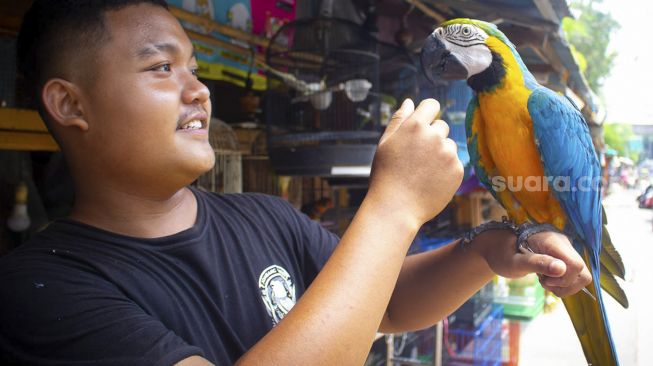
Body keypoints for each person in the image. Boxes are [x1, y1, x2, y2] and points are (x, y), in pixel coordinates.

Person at [0, 1, 592, 365]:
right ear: (69, 104)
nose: (198, 90)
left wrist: (490, 249)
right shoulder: (39, 290)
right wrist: (391, 208)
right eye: (161, 67)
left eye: (194, 69)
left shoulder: (263, 216)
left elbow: (386, 299)